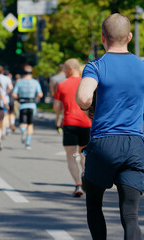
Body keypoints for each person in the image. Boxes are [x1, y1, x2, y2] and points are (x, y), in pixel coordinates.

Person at [76, 13, 144, 240]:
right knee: (131, 215)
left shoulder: (96, 66)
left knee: (94, 204)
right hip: (134, 145)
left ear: (103, 38)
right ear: (130, 36)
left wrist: (91, 108)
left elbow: (84, 98)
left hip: (104, 144)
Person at [53, 58, 92, 198]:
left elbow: (57, 108)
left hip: (70, 123)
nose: (63, 72)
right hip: (87, 124)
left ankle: (78, 185)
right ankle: (85, 175)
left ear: (70, 69)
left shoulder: (62, 85)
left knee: (71, 156)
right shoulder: (87, 83)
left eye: (64, 69)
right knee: (84, 153)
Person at [12, 65, 43, 150]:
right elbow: (40, 94)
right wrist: (35, 98)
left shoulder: (19, 82)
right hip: (32, 105)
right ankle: (28, 144)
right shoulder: (35, 82)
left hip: (22, 105)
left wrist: (18, 98)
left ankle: (23, 131)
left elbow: (14, 94)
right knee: (30, 124)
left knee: (22, 123)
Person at [0, 65, 13, 137]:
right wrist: (7, 92)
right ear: (2, 71)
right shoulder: (6, 78)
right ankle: (4, 130)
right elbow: (11, 87)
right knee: (5, 115)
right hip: (5, 99)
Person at [50, 64, 66, 133]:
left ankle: (58, 127)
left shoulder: (54, 78)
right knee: (65, 112)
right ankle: (64, 125)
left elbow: (51, 88)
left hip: (57, 97)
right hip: (66, 96)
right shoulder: (67, 77)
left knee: (58, 113)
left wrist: (53, 95)